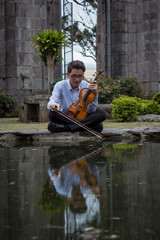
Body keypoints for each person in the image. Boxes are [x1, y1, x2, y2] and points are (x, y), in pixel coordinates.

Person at [47, 60, 107, 133]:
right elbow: (52, 101)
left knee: (102, 114)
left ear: (83, 75)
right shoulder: (60, 85)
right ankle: (84, 126)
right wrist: (53, 104)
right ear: (68, 75)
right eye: (74, 76)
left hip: (82, 117)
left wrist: (96, 95)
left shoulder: (87, 87)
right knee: (52, 114)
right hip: (66, 117)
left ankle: (66, 128)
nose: (77, 80)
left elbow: (92, 110)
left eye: (80, 76)